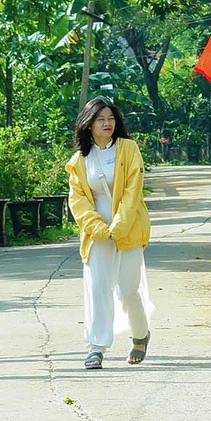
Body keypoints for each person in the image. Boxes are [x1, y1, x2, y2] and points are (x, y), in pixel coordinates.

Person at [66, 96, 153, 371]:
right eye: (101, 119)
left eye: (111, 119)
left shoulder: (128, 149)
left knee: (128, 290)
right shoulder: (80, 160)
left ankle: (140, 336)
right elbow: (77, 199)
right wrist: (98, 228)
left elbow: (132, 190)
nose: (107, 123)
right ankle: (96, 347)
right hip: (97, 234)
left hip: (128, 228)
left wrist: (118, 226)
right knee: (98, 287)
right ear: (88, 124)